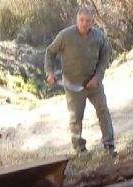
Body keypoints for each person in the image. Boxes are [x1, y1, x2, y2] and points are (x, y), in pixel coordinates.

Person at [45, 7, 115, 155]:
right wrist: (49, 72)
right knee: (76, 116)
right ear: (77, 20)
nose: (84, 24)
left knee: (103, 110)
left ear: (93, 22)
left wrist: (98, 77)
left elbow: (105, 56)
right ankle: (80, 148)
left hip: (94, 82)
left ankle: (109, 145)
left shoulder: (99, 37)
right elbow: (50, 52)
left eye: (88, 21)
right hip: (73, 84)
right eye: (81, 20)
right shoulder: (65, 36)